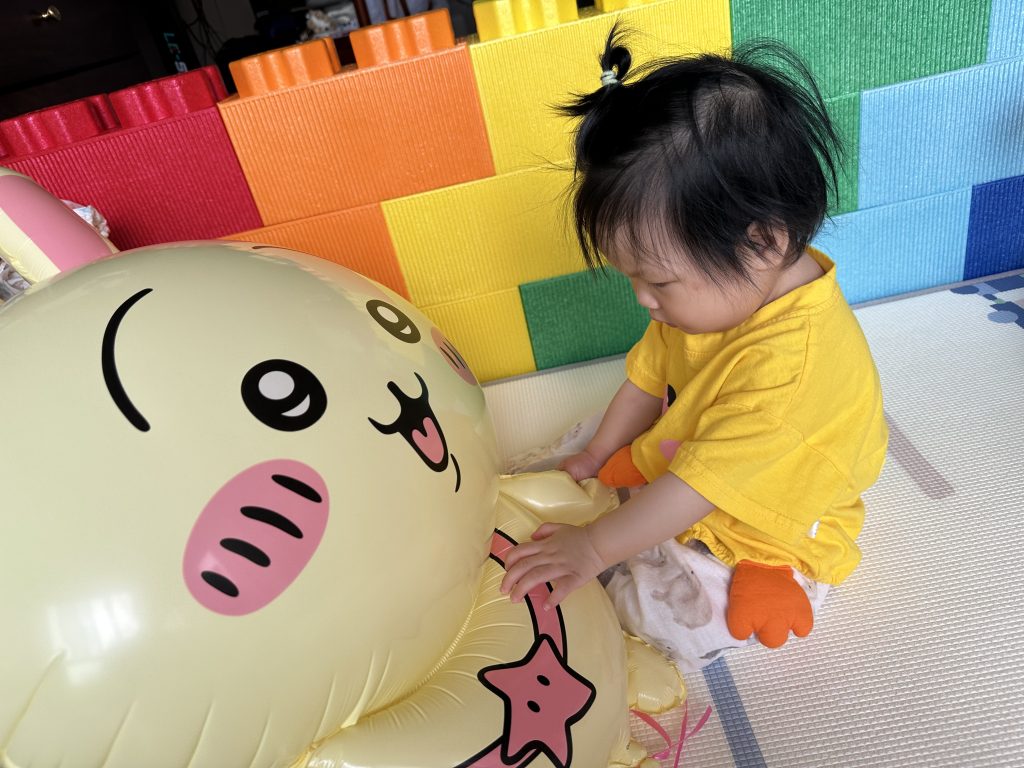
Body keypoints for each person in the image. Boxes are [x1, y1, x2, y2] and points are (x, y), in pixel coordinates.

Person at [499, 28, 889, 672]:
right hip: (695, 449)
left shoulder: (790, 375)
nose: (643, 300)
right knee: (577, 446)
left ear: (761, 243)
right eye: (633, 278)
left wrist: (593, 550)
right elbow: (647, 380)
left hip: (767, 517)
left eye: (657, 281)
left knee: (668, 617)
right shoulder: (714, 297)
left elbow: (697, 489)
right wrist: (596, 456)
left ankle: (752, 568)